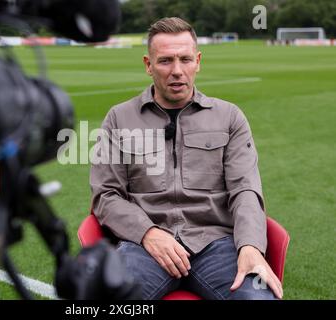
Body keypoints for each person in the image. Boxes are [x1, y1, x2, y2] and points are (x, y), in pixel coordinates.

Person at [90, 17, 283, 300]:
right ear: (148, 64)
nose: (177, 71)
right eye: (166, 61)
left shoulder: (230, 117)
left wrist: (250, 247)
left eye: (185, 59)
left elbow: (246, 190)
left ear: (198, 61)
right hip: (144, 248)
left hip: (217, 245)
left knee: (257, 297)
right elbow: (106, 194)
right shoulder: (119, 118)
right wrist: (147, 233)